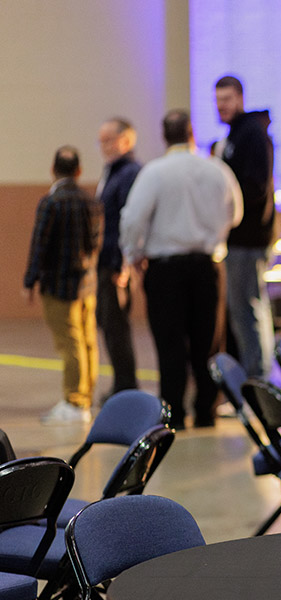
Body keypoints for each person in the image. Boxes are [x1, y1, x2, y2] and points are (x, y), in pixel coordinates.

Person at [120, 109, 243, 430]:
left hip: (166, 269)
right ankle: (206, 410)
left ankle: (173, 411)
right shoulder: (217, 170)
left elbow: (133, 219)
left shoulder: (155, 172)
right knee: (208, 342)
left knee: (170, 342)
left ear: (164, 136)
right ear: (192, 133)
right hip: (208, 265)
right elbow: (236, 214)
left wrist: (133, 253)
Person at [22, 146, 102, 423]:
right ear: (79, 171)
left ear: (53, 170)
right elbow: (94, 245)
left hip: (58, 286)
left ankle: (75, 401)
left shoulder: (51, 202)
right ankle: (86, 397)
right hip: (87, 285)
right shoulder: (91, 201)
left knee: (69, 343)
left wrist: (30, 280)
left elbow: (39, 245)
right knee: (87, 341)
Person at [214, 74, 276, 377]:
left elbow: (255, 187)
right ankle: (255, 375)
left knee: (247, 308)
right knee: (242, 308)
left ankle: (258, 378)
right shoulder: (235, 134)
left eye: (227, 99)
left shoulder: (251, 133)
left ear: (240, 98)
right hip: (239, 237)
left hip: (248, 237)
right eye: (217, 100)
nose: (221, 106)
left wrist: (227, 205)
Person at [95, 118, 141, 398]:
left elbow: (129, 220)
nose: (104, 146)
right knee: (107, 321)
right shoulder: (112, 172)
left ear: (126, 141)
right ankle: (123, 383)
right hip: (106, 259)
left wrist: (123, 263)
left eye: (109, 140)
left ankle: (126, 386)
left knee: (115, 323)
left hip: (116, 262)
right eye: (101, 141)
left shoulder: (130, 173)